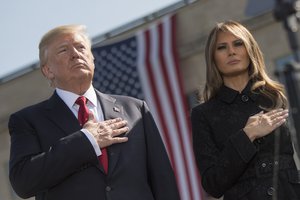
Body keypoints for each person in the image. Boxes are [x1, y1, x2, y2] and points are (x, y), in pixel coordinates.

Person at [8, 24, 180, 200]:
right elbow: (23, 182)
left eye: (81, 47)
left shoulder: (135, 109)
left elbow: (162, 179)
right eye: (63, 50)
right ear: (48, 70)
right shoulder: (28, 121)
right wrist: (86, 140)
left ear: (92, 59)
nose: (75, 54)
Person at [191, 20, 300, 200]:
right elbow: (212, 184)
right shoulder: (203, 114)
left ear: (250, 49)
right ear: (213, 58)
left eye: (238, 43)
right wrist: (247, 135)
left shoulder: (275, 97)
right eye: (222, 47)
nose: (231, 51)